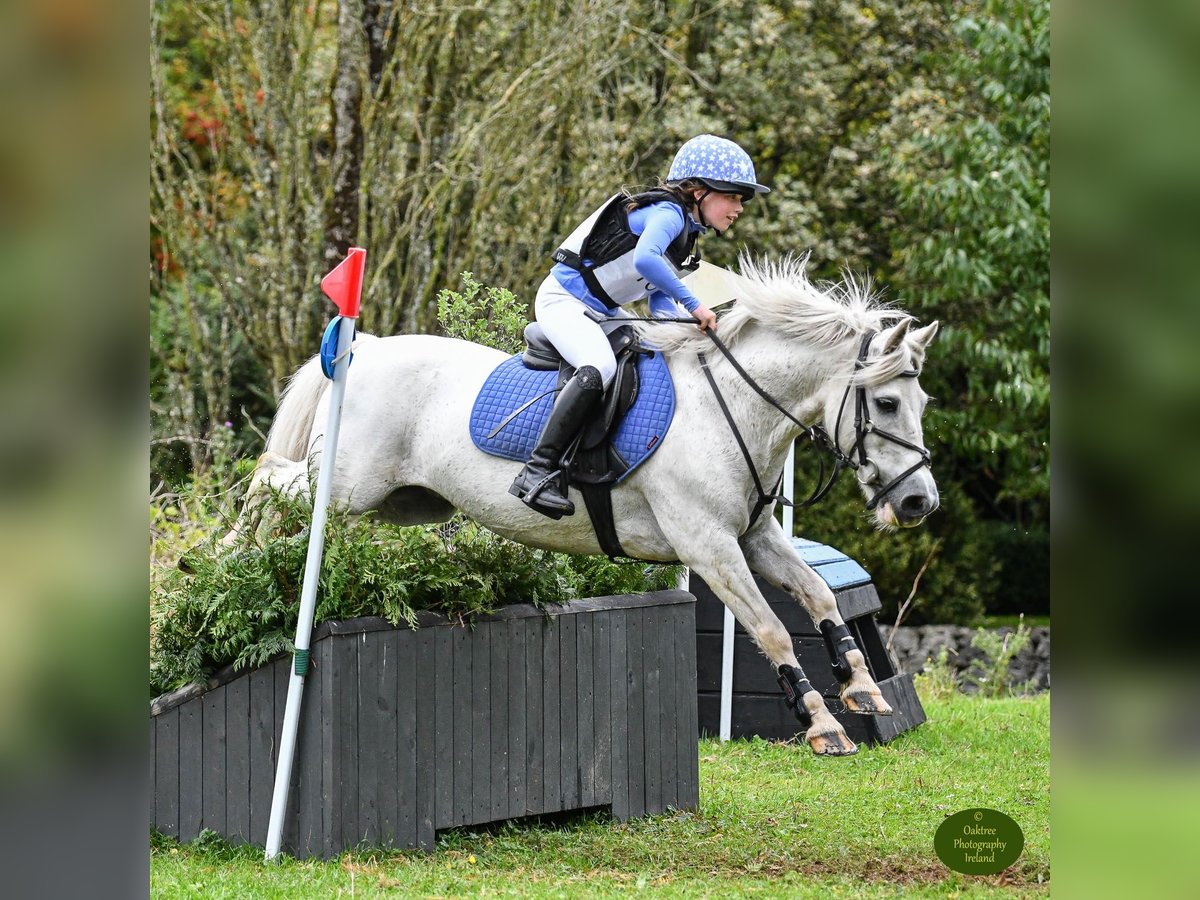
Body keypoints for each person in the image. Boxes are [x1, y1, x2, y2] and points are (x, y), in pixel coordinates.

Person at [510, 134, 770, 518]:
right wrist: (696, 305)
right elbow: (647, 260)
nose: (739, 208)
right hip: (562, 301)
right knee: (600, 367)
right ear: (698, 191)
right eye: (733, 196)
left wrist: (677, 332)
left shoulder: (685, 237)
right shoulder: (667, 214)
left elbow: (658, 298)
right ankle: (537, 471)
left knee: (649, 356)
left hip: (599, 310)